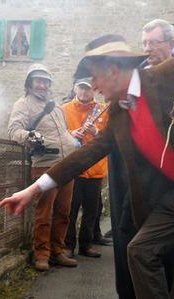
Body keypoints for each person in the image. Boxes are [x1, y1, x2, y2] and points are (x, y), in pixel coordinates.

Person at [0, 34, 174, 299]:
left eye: (95, 76)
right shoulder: (120, 113)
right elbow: (87, 154)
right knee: (140, 251)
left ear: (113, 71)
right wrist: (34, 189)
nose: (94, 86)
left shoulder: (167, 73)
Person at [7, 63, 78, 271]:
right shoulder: (23, 104)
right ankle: (42, 254)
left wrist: (73, 142)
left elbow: (63, 131)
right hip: (45, 165)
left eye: (46, 81)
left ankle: (58, 251)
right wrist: (29, 136)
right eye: (38, 81)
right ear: (30, 83)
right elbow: (14, 130)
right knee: (44, 213)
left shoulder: (56, 106)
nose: (42, 85)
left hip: (67, 165)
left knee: (64, 212)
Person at [62, 77, 109, 258]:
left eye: (88, 89)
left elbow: (109, 135)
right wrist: (71, 134)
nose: (84, 92)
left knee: (91, 210)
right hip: (73, 166)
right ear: (75, 88)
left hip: (95, 167)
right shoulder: (64, 109)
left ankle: (86, 245)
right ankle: (68, 245)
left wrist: (95, 132)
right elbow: (59, 132)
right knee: (71, 210)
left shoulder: (102, 110)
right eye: (81, 88)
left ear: (94, 91)